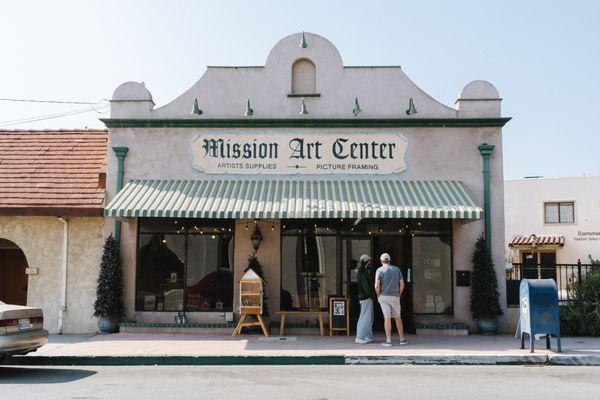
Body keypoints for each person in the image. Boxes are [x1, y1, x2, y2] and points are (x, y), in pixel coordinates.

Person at [375, 253, 408, 347]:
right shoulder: (396, 269)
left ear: (381, 261)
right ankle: (402, 339)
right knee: (398, 317)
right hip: (395, 296)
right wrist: (399, 294)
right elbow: (402, 284)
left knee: (387, 318)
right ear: (389, 260)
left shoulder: (379, 270)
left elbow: (377, 285)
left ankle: (388, 340)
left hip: (384, 296)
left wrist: (378, 295)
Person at [355, 254, 375, 344]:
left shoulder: (362, 271)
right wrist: (372, 295)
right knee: (365, 317)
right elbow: (365, 286)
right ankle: (360, 336)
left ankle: (367, 336)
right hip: (365, 297)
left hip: (364, 297)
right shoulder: (363, 272)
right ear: (368, 261)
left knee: (368, 317)